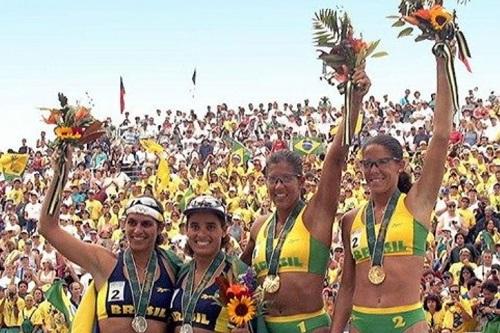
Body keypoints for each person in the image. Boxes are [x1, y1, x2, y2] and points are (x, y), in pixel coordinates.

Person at [241, 66, 371, 333]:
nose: (279, 186)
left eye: (286, 179)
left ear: (301, 182)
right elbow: (240, 273)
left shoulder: (315, 216)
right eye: (272, 179)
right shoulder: (259, 226)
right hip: (264, 327)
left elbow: (336, 158)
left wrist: (353, 101)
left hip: (308, 326)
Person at [332, 55, 453, 333]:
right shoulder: (351, 219)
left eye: (382, 162)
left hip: (406, 325)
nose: (373, 170)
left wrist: (441, 61)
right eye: (367, 164)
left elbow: (442, 135)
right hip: (362, 325)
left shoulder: (417, 204)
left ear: (400, 165)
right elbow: (347, 285)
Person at [39, 148, 180, 333]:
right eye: (132, 223)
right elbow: (48, 227)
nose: (138, 230)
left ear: (160, 228)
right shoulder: (105, 262)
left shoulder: (172, 267)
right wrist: (60, 175)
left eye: (146, 224)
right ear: (124, 225)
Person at [170, 195, 251, 333]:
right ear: (186, 230)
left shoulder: (238, 273)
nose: (201, 234)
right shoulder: (180, 272)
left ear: (224, 230)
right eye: (195, 226)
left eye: (210, 227)